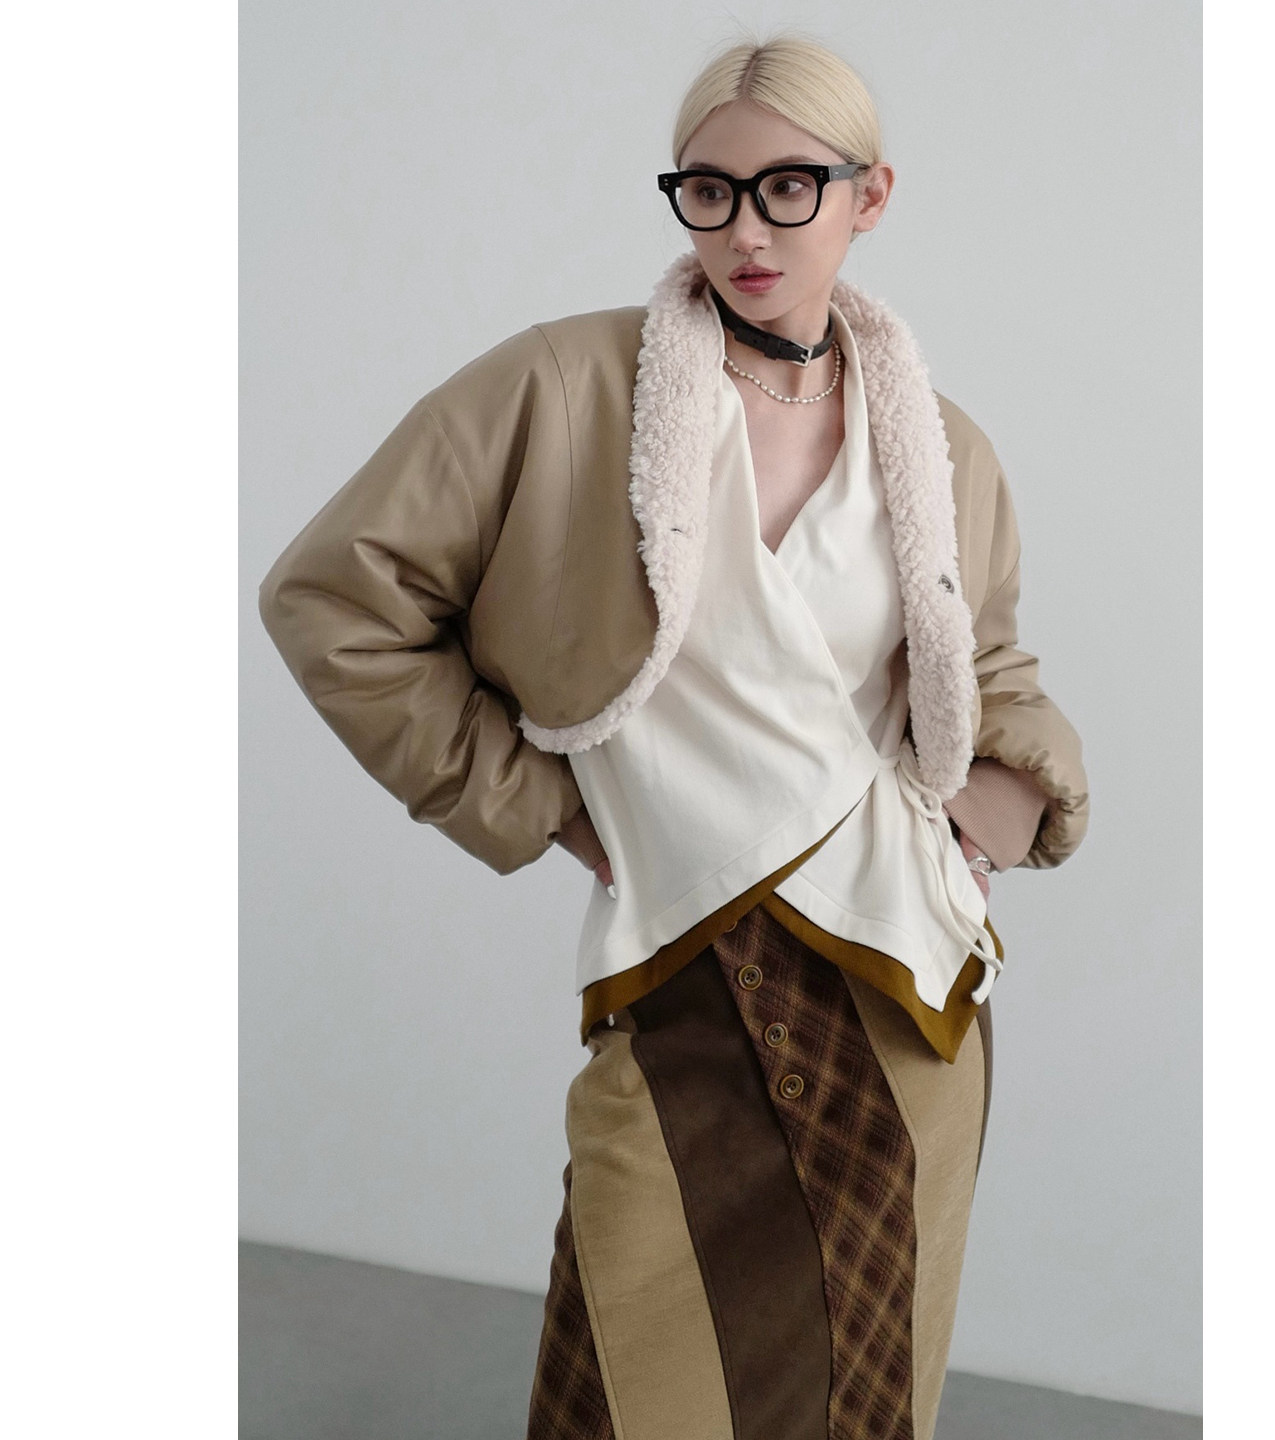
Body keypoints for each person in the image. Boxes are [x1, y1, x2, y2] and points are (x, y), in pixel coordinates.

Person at [258, 31, 1088, 1440]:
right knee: (622, 1390)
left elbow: (988, 666)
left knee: (859, 1400)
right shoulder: (566, 389)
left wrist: (979, 836)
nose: (746, 230)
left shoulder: (941, 448)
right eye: (709, 190)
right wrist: (535, 804)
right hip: (683, 977)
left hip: (905, 998)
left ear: (871, 195)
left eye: (789, 188)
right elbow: (334, 598)